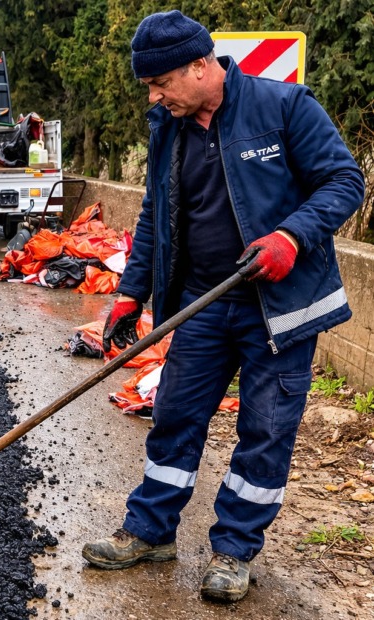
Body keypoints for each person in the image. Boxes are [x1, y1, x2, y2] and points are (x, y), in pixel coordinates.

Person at [81, 10, 364, 603]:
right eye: (149, 88)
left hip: (279, 308)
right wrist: (133, 292)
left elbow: (343, 181)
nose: (155, 97)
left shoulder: (283, 107)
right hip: (202, 305)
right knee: (176, 417)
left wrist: (291, 236)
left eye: (161, 84)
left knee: (264, 431)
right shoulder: (169, 127)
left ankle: (234, 551)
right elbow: (159, 215)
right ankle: (149, 531)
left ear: (201, 66)